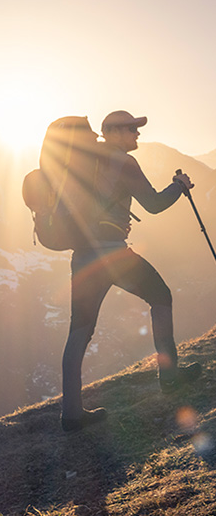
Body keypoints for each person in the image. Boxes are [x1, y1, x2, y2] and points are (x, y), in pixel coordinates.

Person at [61, 110, 201, 433]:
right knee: (161, 296)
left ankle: (71, 414)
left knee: (79, 330)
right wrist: (179, 185)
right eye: (132, 130)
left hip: (83, 257)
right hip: (112, 255)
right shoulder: (123, 161)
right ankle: (170, 377)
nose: (137, 135)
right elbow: (152, 204)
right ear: (112, 131)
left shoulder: (83, 162)